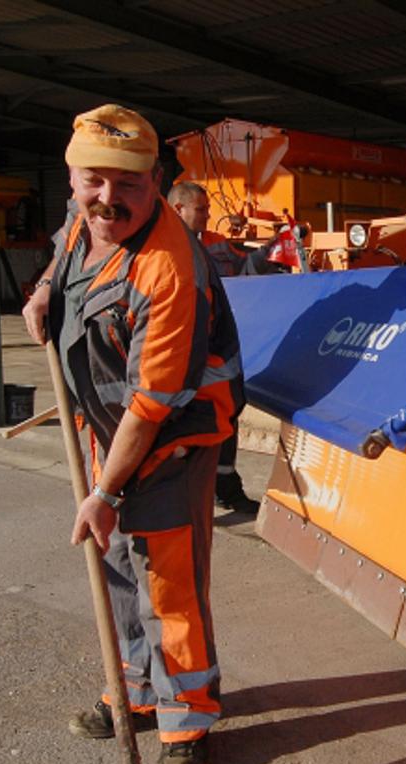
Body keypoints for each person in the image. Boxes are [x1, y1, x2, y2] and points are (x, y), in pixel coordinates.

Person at [22, 104, 244, 764]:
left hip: (169, 438)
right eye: (94, 182)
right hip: (105, 428)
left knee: (167, 586)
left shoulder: (170, 268)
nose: (108, 200)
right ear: (74, 179)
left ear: (155, 181)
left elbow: (151, 408)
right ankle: (137, 693)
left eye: (130, 185)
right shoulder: (79, 219)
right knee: (114, 569)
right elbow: (66, 253)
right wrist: (39, 293)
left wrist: (104, 492)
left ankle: (187, 722)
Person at [167, 180, 264, 514]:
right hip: (185, 362)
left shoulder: (215, 245)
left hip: (218, 359)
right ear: (178, 209)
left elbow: (244, 268)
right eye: (202, 210)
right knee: (186, 433)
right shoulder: (161, 248)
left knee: (224, 424)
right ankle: (183, 502)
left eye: (208, 209)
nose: (208, 216)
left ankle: (226, 490)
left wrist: (269, 253)